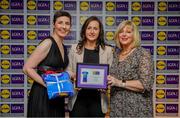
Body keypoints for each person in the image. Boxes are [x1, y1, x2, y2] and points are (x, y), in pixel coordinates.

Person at [23, 10, 71, 117]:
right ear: (54, 24)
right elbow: (27, 68)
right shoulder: (48, 43)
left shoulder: (63, 47)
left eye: (67, 23)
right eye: (60, 22)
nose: (64, 26)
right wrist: (48, 85)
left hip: (56, 96)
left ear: (70, 27)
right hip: (42, 94)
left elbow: (58, 70)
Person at [67, 16, 113, 117]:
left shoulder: (108, 50)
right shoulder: (74, 48)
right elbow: (68, 71)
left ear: (100, 31)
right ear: (84, 30)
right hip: (78, 99)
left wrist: (106, 84)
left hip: (98, 100)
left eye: (95, 28)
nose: (92, 32)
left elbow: (111, 75)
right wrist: (74, 77)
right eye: (89, 28)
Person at [107, 20, 154, 117]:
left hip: (137, 108)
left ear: (134, 35)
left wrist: (119, 82)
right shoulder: (115, 53)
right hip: (117, 107)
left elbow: (146, 84)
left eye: (128, 32)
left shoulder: (142, 54)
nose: (124, 35)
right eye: (121, 32)